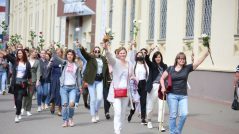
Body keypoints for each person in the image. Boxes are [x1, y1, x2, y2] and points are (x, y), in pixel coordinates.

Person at [160, 50, 209, 134]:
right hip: (172, 95)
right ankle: (172, 132)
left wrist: (206, 54)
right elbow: (162, 78)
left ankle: (177, 131)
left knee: (184, 114)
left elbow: (197, 62)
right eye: (180, 59)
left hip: (183, 96)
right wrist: (163, 87)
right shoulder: (170, 68)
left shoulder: (187, 68)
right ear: (177, 59)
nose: (182, 60)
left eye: (183, 59)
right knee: (173, 115)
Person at [103, 43, 133, 134]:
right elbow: (109, 57)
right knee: (118, 112)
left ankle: (120, 129)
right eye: (121, 53)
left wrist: (134, 78)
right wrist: (106, 49)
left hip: (125, 92)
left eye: (124, 53)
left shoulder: (129, 63)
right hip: (116, 92)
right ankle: (117, 131)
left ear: (126, 54)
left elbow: (131, 75)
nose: (122, 54)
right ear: (118, 54)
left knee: (123, 113)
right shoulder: (115, 62)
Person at [78, 46, 110, 123]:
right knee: (93, 99)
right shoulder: (90, 58)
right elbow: (84, 54)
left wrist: (108, 79)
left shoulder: (103, 59)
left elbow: (106, 70)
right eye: (95, 51)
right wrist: (81, 47)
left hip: (100, 80)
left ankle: (96, 111)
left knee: (99, 98)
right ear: (93, 52)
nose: (97, 52)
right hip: (91, 80)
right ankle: (93, 115)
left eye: (98, 51)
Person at [0, 49, 32, 123]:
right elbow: (7, 55)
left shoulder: (27, 63)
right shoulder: (15, 61)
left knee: (19, 99)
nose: (19, 55)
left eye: (21, 53)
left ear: (23, 54)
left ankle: (17, 115)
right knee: (17, 100)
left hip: (23, 84)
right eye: (18, 53)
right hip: (15, 84)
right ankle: (18, 111)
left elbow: (29, 75)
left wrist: (30, 84)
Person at [52, 49, 82, 127]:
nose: (69, 56)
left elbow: (78, 77)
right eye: (68, 54)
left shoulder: (76, 65)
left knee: (71, 104)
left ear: (73, 56)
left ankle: (70, 118)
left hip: (73, 88)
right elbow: (55, 56)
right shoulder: (64, 62)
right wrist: (53, 48)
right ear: (66, 55)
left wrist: (80, 87)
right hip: (64, 87)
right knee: (65, 105)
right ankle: (65, 120)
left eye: (71, 54)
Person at [145, 47, 167, 131]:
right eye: (156, 57)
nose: (158, 58)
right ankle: (149, 120)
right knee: (151, 105)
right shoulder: (152, 65)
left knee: (162, 106)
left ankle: (160, 124)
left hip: (162, 88)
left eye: (159, 57)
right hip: (153, 87)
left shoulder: (165, 66)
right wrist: (149, 51)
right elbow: (146, 59)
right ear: (154, 58)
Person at [127, 51, 149, 125]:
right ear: (136, 57)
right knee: (135, 101)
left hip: (144, 84)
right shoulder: (134, 65)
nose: (140, 56)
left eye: (141, 55)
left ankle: (143, 118)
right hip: (135, 84)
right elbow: (130, 74)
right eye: (138, 55)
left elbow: (148, 75)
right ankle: (131, 114)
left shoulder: (145, 65)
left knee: (143, 101)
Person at [21, 49, 40, 116]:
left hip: (33, 80)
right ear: (31, 53)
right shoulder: (26, 60)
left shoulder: (37, 61)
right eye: (35, 52)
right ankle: (22, 108)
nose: (36, 53)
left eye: (36, 52)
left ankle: (28, 110)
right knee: (24, 94)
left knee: (30, 95)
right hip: (25, 79)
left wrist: (38, 80)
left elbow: (38, 71)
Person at [48, 48, 63, 115]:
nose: (58, 53)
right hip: (53, 78)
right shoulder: (53, 59)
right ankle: (53, 105)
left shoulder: (63, 60)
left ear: (61, 53)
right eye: (57, 52)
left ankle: (59, 109)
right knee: (53, 93)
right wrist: (50, 62)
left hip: (61, 78)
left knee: (60, 94)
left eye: (59, 52)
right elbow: (48, 67)